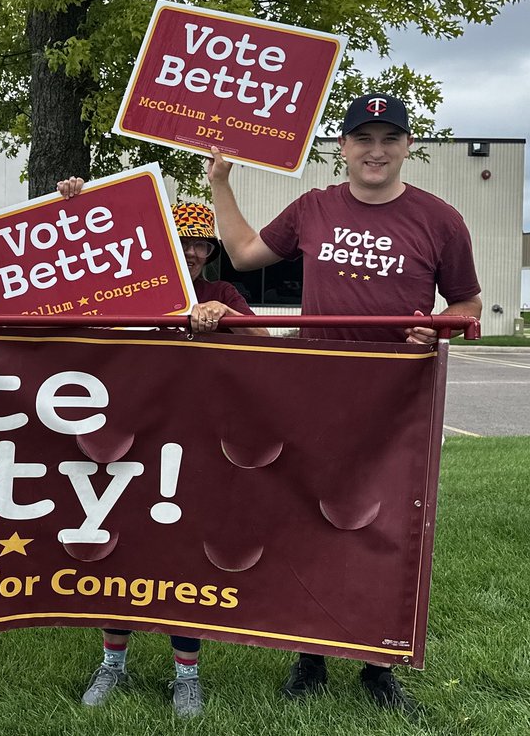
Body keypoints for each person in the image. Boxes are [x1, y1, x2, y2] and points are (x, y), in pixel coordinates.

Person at [207, 92, 482, 712]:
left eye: (389, 138)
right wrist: (220, 182)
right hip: (319, 390)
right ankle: (309, 657)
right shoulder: (314, 207)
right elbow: (248, 254)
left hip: (396, 397)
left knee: (385, 527)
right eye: (364, 138)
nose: (376, 151)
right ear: (344, 147)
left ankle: (378, 664)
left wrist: (438, 323)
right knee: (310, 518)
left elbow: (467, 305)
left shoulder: (440, 220)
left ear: (409, 146)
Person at [56, 184, 268, 717]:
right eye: (182, 239)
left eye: (201, 243)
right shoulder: (127, 287)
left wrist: (227, 318)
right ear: (159, 241)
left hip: (195, 445)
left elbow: (262, 349)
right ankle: (113, 662)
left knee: (185, 555)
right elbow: (70, 280)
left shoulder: (223, 291)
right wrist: (77, 210)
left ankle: (186, 673)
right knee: (118, 546)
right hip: (126, 439)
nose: (193, 251)